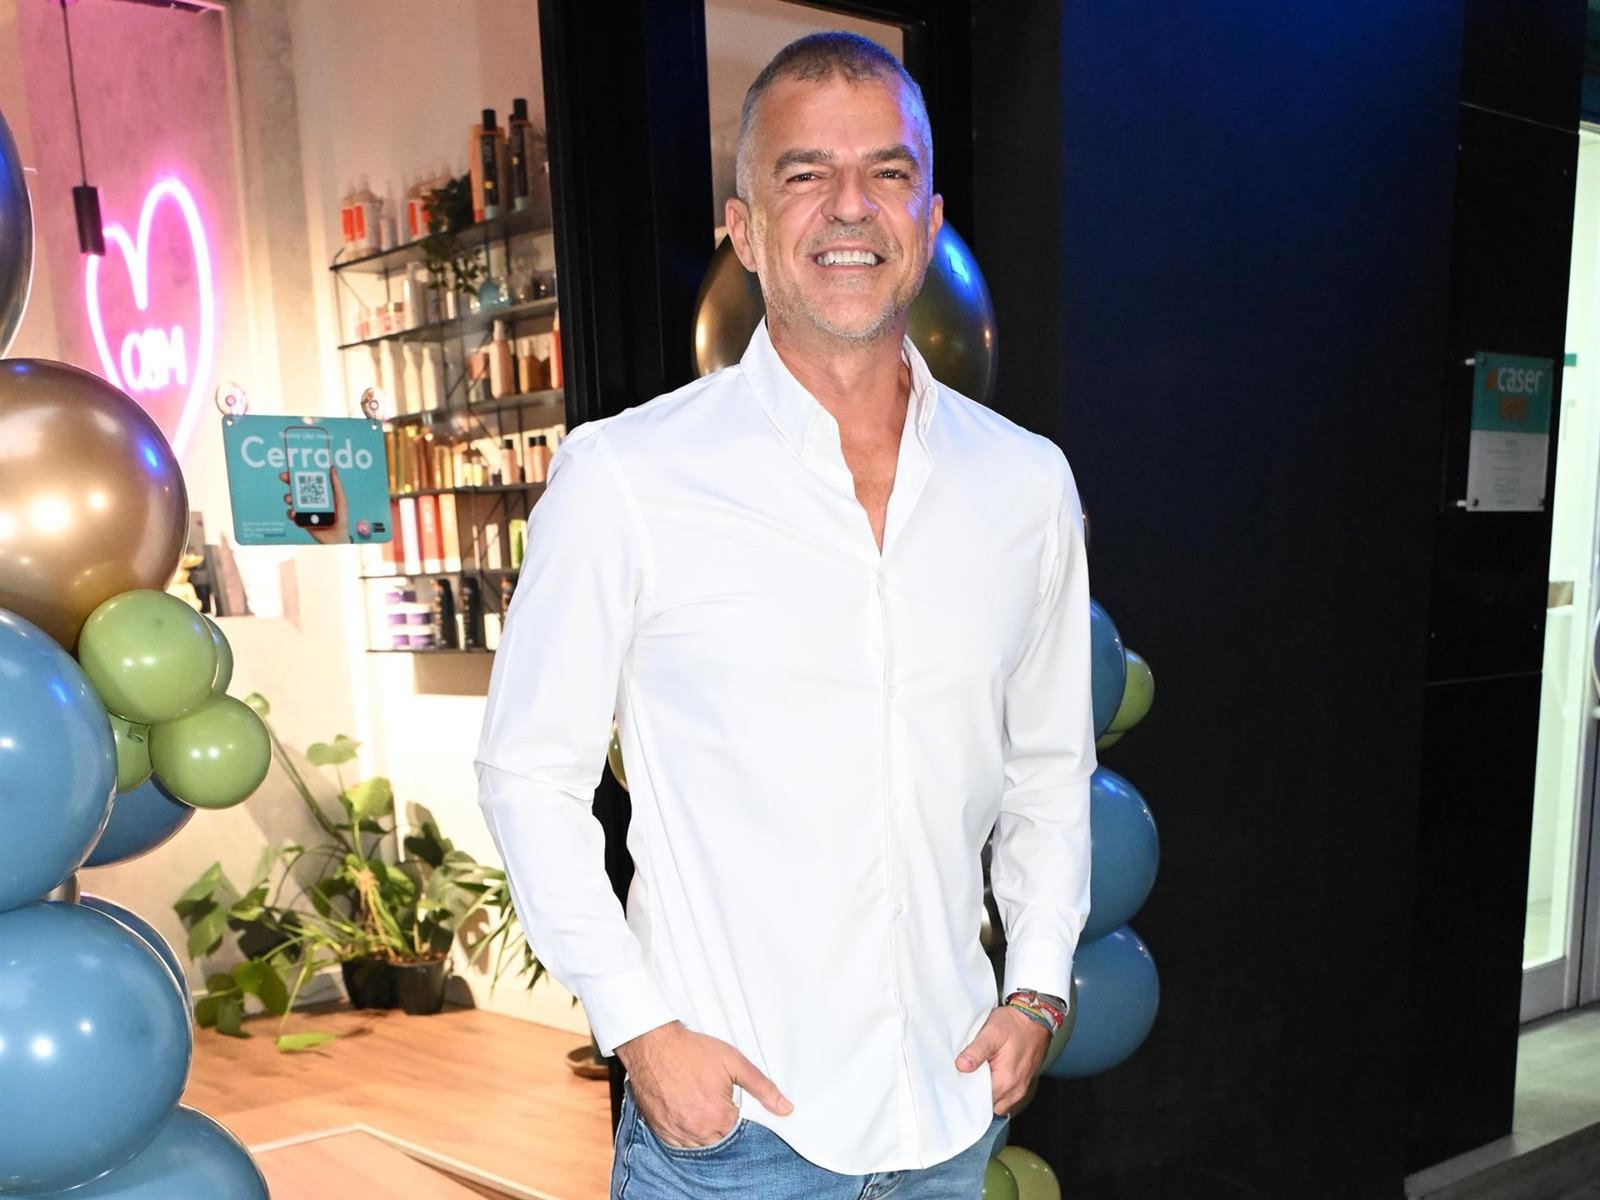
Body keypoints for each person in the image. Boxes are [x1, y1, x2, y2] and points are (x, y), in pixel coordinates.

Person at [476, 31, 1094, 1200]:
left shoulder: (1025, 483)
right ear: (745, 230)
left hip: (948, 1112)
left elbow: (1049, 769)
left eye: (886, 173)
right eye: (805, 174)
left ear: (929, 220)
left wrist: (1038, 987)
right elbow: (527, 774)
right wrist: (637, 1027)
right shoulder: (627, 477)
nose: (850, 207)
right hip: (734, 1136)